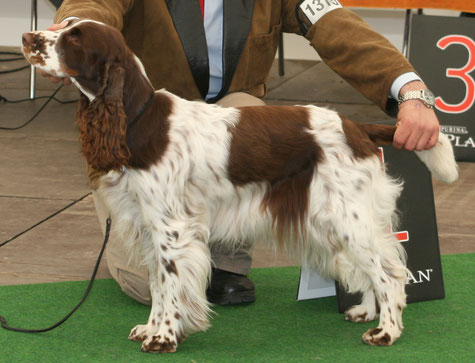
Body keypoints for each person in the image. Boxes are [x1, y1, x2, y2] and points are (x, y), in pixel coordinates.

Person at [43, 0, 440, 307]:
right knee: (143, 284)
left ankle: (225, 259)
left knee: (244, 112)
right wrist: (69, 32)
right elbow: (94, 5)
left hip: (233, 119)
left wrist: (409, 90)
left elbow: (339, 28)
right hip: (147, 126)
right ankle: (193, 253)